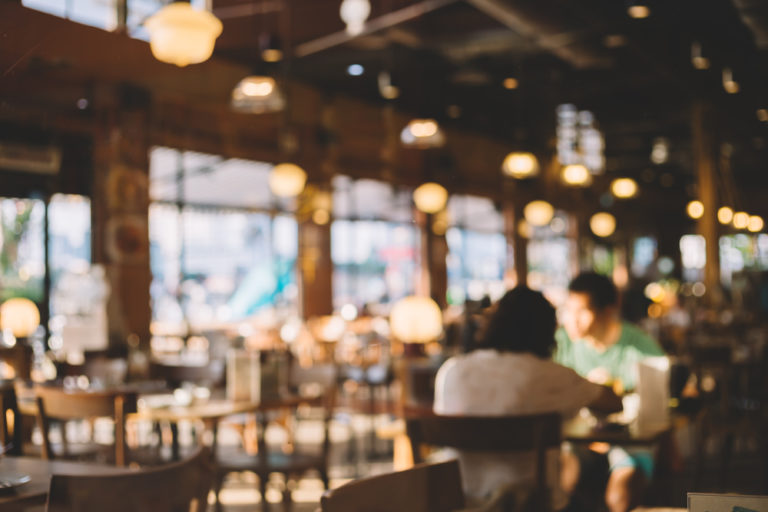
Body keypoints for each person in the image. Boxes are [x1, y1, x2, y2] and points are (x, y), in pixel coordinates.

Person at [433, 286, 621, 509]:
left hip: (462, 504)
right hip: (531, 505)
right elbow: (613, 403)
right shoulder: (552, 375)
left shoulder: (452, 372)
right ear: (547, 331)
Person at [555, 272, 666, 512]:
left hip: (630, 440)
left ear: (607, 310)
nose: (572, 319)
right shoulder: (561, 342)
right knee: (562, 480)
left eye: (582, 311)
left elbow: (665, 390)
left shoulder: (637, 344)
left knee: (620, 496)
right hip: (577, 441)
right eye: (568, 310)